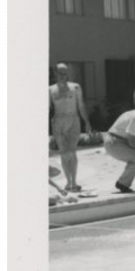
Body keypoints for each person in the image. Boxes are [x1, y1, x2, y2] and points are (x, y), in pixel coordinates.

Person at [49, 63, 92, 192]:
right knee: (63, 153)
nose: (63, 75)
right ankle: (68, 182)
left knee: (72, 151)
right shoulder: (50, 90)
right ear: (55, 73)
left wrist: (87, 122)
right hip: (58, 120)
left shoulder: (76, 87)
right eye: (60, 72)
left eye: (65, 72)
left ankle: (74, 182)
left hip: (73, 119)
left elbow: (81, 106)